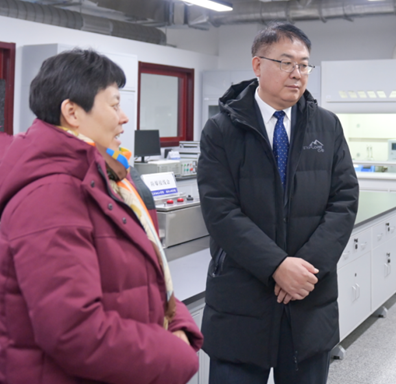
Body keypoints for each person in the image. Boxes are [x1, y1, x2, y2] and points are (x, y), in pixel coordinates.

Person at [0, 49, 203, 384]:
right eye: (114, 105)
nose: (124, 117)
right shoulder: (50, 196)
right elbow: (74, 330)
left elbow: (144, 276)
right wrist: (175, 354)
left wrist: (177, 322)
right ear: (72, 112)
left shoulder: (100, 177)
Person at [197, 22, 359, 384]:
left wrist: (303, 269)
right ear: (257, 65)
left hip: (308, 296)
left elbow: (344, 200)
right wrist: (276, 265)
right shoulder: (221, 130)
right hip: (241, 298)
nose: (297, 73)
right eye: (286, 63)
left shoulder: (327, 126)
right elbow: (220, 210)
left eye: (304, 65)